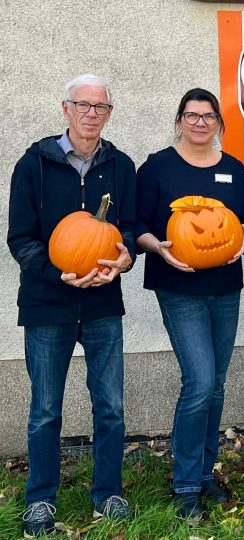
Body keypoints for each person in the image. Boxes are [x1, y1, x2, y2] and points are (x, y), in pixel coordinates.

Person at [7, 74, 135, 537]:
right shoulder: (34, 165)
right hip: (47, 304)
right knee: (45, 408)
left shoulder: (120, 165)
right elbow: (19, 238)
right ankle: (40, 500)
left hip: (102, 303)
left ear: (108, 114)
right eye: (81, 105)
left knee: (111, 406)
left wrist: (124, 259)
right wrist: (54, 271)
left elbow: (128, 228)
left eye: (99, 106)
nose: (90, 113)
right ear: (66, 109)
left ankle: (108, 494)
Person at [135, 88, 244, 518]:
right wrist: (158, 247)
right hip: (178, 287)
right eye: (191, 115)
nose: (200, 123)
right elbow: (137, 223)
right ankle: (186, 483)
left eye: (208, 116)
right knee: (200, 381)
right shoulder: (157, 167)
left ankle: (205, 473)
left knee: (216, 384)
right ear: (180, 120)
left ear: (219, 123)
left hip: (225, 287)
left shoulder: (232, 168)